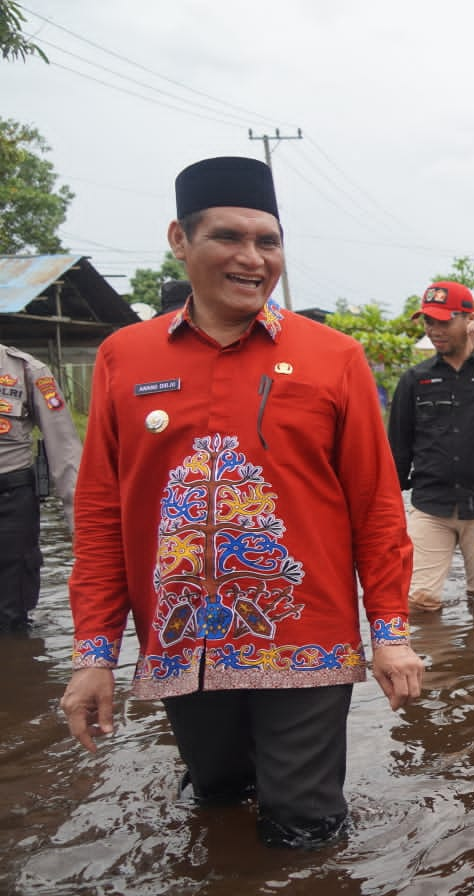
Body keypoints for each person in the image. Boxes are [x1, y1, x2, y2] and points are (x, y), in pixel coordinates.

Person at [59, 156, 423, 848]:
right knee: (216, 803)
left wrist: (392, 633)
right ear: (179, 240)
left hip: (304, 634)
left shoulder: (333, 357)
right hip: (179, 640)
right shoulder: (124, 358)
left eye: (269, 242)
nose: (253, 259)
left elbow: (375, 503)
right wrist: (94, 654)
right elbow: (103, 514)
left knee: (306, 826)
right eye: (229, 237)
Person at [387, 281, 474, 611]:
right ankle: (435, 662)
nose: (434, 330)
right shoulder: (415, 380)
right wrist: (389, 508)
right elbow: (398, 448)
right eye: (429, 322)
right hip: (431, 506)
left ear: (470, 320)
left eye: (443, 321)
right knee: (419, 600)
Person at [0, 343, 81, 633]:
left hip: (11, 505)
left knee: (11, 616)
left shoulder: (27, 371)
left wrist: (81, 528)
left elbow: (65, 450)